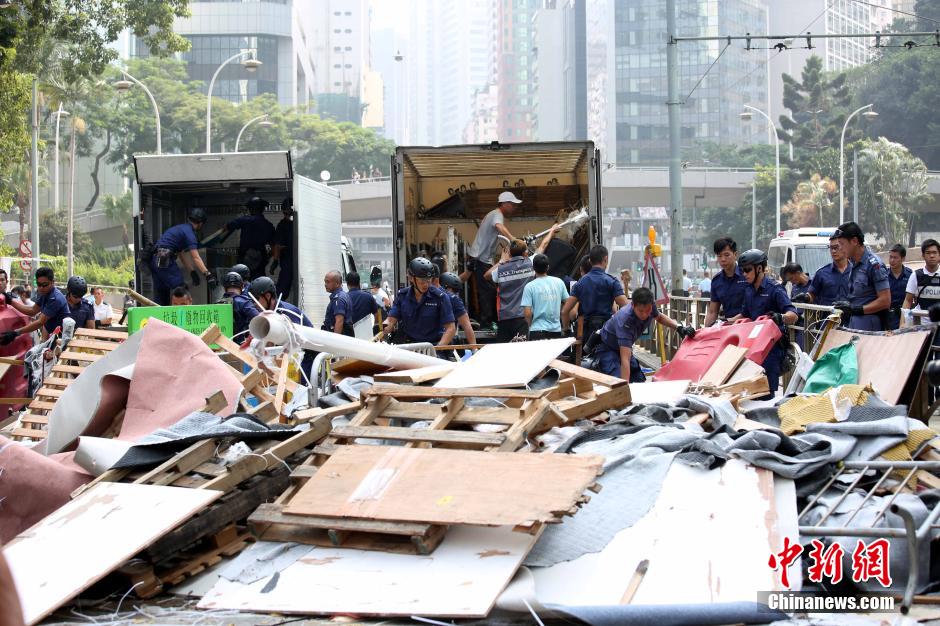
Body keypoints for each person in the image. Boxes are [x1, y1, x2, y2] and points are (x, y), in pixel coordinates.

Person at [589, 287, 694, 382]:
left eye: (647, 310)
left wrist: (679, 327)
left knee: (638, 380)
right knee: (617, 381)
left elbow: (659, 317)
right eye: (640, 311)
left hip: (625, 348)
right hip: (608, 348)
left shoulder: (650, 306)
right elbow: (625, 359)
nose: (644, 314)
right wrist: (623, 390)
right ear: (633, 305)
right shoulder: (625, 320)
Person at [738, 249, 798, 395]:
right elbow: (744, 315)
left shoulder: (775, 289)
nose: (744, 274)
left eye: (747, 270)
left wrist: (780, 317)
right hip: (753, 346)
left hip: (772, 348)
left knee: (767, 392)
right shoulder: (748, 290)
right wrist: (727, 322)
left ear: (759, 268)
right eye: (742, 271)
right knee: (752, 390)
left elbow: (793, 314)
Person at [486, 232, 556, 343]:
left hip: (504, 318)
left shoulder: (501, 269)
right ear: (525, 253)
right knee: (522, 352)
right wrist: (552, 230)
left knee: (504, 353)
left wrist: (502, 261)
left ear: (510, 253)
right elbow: (543, 245)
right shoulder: (530, 263)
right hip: (521, 318)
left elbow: (487, 275)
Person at [467, 190, 521, 328]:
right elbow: (499, 227)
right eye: (512, 204)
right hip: (481, 259)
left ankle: (488, 320)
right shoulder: (497, 215)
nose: (514, 207)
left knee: (488, 290)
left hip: (482, 259)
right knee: (489, 291)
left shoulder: (493, 214)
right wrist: (513, 239)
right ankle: (487, 323)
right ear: (504, 204)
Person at [249, 276, 315, 378]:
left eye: (256, 299)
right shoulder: (268, 314)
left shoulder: (286, 313)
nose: (254, 303)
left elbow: (296, 343)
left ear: (268, 296)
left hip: (304, 359)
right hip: (287, 359)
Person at [561, 244, 628, 341]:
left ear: (590, 261)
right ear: (605, 259)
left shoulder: (580, 283)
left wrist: (566, 329)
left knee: (584, 356)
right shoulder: (612, 282)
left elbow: (565, 311)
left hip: (585, 335)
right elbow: (626, 306)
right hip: (606, 333)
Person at [831, 222, 890, 331]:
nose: (840, 249)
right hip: (854, 323)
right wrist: (847, 306)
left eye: (842, 244)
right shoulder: (853, 264)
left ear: (854, 241)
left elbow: (885, 301)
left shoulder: (874, 265)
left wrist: (857, 309)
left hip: (870, 326)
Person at [385, 257, 456, 347]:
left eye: (428, 280)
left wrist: (438, 348)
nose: (426, 284)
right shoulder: (402, 296)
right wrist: (385, 327)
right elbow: (391, 320)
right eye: (422, 280)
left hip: (433, 346)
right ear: (411, 278)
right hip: (409, 346)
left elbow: (451, 328)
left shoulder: (440, 298)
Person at [151, 207, 214, 305]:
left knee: (162, 292)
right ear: (201, 223)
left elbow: (181, 254)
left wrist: (192, 271)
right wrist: (208, 274)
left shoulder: (180, 229)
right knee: (180, 288)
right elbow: (196, 257)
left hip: (156, 260)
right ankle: (183, 316)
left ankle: (160, 317)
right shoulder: (190, 234)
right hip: (164, 260)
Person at [2, 267, 68, 343]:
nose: (41, 288)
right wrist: (11, 301)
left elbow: (40, 322)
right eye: (39, 284)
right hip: (51, 335)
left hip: (60, 338)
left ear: (53, 282)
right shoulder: (45, 293)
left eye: (45, 285)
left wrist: (16, 332)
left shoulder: (55, 298)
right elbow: (32, 310)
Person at [223, 196, 276, 279]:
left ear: (251, 209)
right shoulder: (269, 226)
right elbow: (274, 246)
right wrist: (267, 257)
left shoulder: (244, 220)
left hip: (244, 258)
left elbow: (227, 226)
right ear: (262, 209)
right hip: (260, 260)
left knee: (243, 283)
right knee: (259, 283)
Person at [522, 254, 569, 340]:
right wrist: (566, 326)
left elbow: (527, 313)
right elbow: (568, 303)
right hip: (556, 330)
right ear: (548, 267)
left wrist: (530, 327)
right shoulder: (559, 282)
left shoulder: (529, 286)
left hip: (537, 330)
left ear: (533, 268)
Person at [703, 237, 748, 326]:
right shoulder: (716, 281)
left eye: (726, 255)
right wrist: (705, 331)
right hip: (728, 327)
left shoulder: (747, 274)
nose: (723, 259)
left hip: (750, 325)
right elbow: (712, 312)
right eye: (719, 256)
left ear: (735, 254)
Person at [802, 237, 852, 306]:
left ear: (845, 247)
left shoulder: (856, 271)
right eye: (831, 248)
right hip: (828, 315)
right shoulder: (821, 273)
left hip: (852, 315)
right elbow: (812, 295)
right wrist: (805, 297)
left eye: (836, 247)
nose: (833, 251)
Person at [903, 239, 940, 315]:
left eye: (934, 252)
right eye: (928, 253)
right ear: (923, 255)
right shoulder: (915, 275)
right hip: (921, 323)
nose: (932, 256)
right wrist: (903, 322)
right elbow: (907, 300)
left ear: (939, 254)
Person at [217, 271, 257, 338]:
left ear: (224, 288)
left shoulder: (217, 304)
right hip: (241, 345)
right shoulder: (244, 302)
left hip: (222, 344)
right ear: (242, 286)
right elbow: (258, 318)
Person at [440, 271, 476, 345]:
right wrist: (474, 348)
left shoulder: (453, 300)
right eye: (454, 290)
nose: (455, 294)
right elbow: (466, 325)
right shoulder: (453, 299)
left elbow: (466, 325)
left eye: (456, 291)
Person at [269, 196, 294, 299]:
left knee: (282, 291)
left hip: (289, 262)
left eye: (289, 213)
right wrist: (275, 260)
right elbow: (278, 245)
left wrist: (275, 261)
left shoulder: (283, 225)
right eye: (286, 213)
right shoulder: (283, 225)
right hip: (288, 261)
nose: (287, 215)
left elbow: (278, 245)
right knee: (282, 291)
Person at [887, 243, 913, 330]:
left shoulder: (910, 275)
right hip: (888, 316)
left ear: (903, 258)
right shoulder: (883, 276)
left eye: (895, 257)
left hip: (906, 316)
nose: (892, 260)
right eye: (890, 257)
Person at [322, 270, 353, 336]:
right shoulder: (344, 295)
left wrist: (335, 341)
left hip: (340, 336)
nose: (325, 284)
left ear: (337, 284)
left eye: (328, 282)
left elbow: (339, 321)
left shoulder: (338, 299)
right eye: (325, 282)